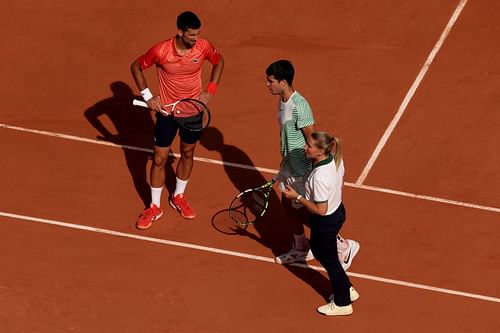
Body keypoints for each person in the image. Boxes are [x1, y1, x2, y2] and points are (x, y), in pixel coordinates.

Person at [130, 11, 224, 229]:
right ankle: (154, 206)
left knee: (188, 152)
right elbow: (136, 67)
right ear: (180, 32)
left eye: (197, 34)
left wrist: (210, 90)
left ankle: (178, 197)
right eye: (191, 35)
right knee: (160, 159)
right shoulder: (161, 50)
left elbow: (219, 62)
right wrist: (148, 96)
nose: (195, 39)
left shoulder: (203, 46)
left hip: (193, 110)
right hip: (167, 113)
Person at [265, 60, 359, 269]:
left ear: (283, 82)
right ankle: (301, 247)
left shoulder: (300, 106)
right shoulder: (283, 100)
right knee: (288, 207)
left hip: (302, 170)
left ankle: (343, 246)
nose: (267, 85)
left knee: (308, 212)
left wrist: (317, 169)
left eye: (270, 81)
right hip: (291, 166)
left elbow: (313, 139)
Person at [281, 131, 359, 316]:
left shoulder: (320, 177)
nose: (305, 147)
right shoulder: (334, 159)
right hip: (337, 211)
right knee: (320, 252)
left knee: (329, 260)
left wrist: (297, 196)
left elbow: (320, 210)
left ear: (319, 152)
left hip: (326, 220)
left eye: (309, 146)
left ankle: (343, 303)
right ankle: (347, 289)